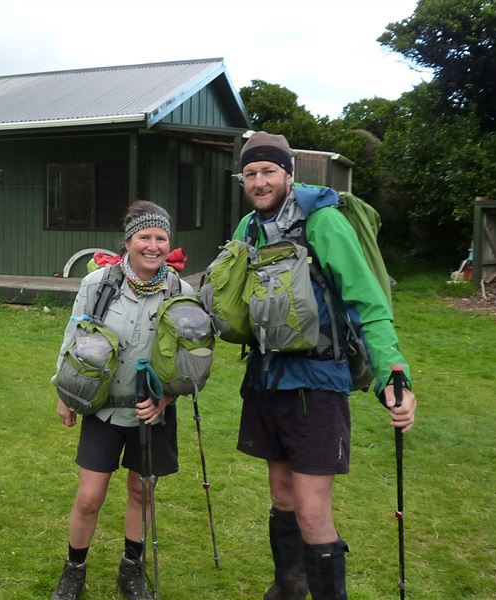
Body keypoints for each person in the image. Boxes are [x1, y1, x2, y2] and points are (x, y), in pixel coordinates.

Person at [233, 132, 418, 600]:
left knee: (312, 510)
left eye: (268, 171)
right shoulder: (246, 231)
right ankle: (288, 589)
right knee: (280, 493)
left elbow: (368, 303)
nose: (259, 181)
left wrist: (394, 376)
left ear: (288, 174)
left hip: (317, 384)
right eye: (250, 173)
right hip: (266, 380)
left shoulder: (324, 223)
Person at [50, 200, 194, 600]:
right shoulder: (97, 285)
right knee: (90, 496)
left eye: (161, 237)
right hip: (103, 408)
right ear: (128, 241)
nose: (153, 245)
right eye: (144, 237)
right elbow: (73, 338)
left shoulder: (182, 291)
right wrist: (65, 392)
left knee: (141, 492)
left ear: (169, 242)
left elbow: (189, 356)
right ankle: (73, 570)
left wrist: (166, 397)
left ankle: (131, 570)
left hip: (154, 412)